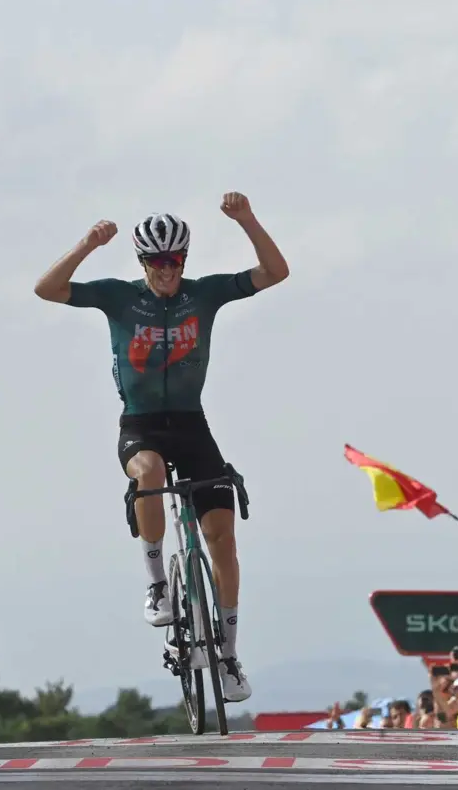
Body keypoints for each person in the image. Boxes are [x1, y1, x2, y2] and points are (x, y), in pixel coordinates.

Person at [33, 192, 290, 703]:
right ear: (142, 262)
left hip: (192, 424)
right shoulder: (118, 296)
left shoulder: (205, 295)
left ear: (185, 261)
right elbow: (47, 289)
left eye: (174, 260)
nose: (166, 270)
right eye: (156, 261)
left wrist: (247, 220)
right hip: (141, 425)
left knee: (223, 540)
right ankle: (157, 584)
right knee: (147, 473)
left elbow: (275, 272)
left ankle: (229, 654)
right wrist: (87, 243)